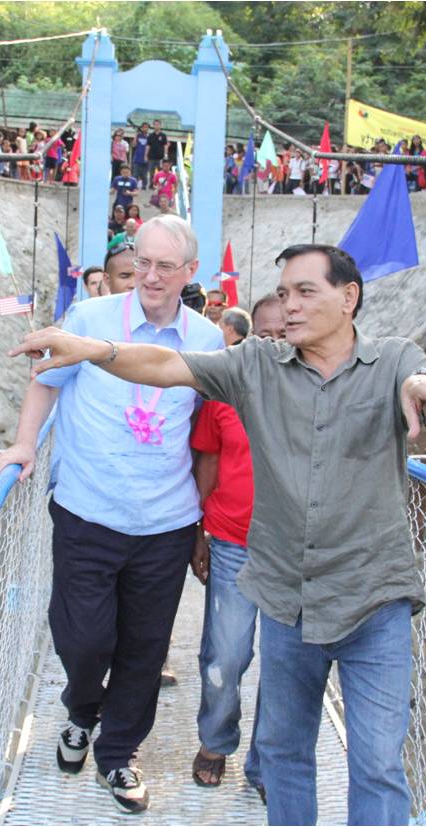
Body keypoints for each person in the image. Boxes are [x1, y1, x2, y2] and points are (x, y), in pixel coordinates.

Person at [5, 243, 426, 826]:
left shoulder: (396, 361)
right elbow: (163, 366)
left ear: (348, 298)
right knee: (283, 752)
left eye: (305, 292)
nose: (290, 306)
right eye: (282, 293)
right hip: (286, 597)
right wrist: (94, 349)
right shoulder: (256, 366)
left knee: (376, 764)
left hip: (373, 598)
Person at [0, 215, 224, 815]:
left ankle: (118, 754)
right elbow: (46, 381)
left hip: (165, 522)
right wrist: (23, 444)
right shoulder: (92, 319)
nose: (149, 276)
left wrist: (206, 518)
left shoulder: (207, 339)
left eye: (165, 266)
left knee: (144, 649)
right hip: (87, 510)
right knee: (85, 638)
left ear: (189, 274)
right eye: (141, 261)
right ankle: (79, 710)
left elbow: (210, 430)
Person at [188, 298, 271, 794]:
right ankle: (216, 740)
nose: (273, 342)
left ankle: (267, 763)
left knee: (286, 668)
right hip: (233, 540)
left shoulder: (319, 393)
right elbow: (209, 460)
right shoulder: (227, 392)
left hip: (295, 552)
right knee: (227, 653)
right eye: (262, 333)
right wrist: (198, 530)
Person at [132, 122, 151, 187]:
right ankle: (134, 186)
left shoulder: (150, 136)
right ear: (141, 128)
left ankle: (144, 187)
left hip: (146, 158)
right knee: (135, 174)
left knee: (144, 175)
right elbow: (134, 145)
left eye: (146, 127)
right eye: (144, 127)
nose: (145, 128)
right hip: (137, 158)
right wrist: (136, 135)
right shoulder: (138, 135)